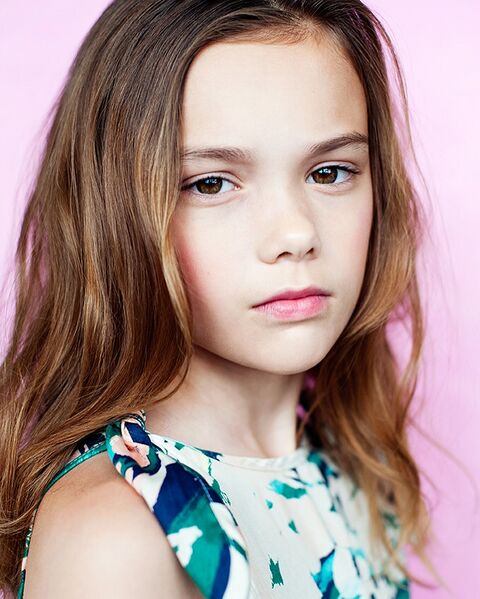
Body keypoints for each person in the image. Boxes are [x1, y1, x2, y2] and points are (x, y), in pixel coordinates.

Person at [0, 1, 449, 597]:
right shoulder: (118, 537)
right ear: (117, 214)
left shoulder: (353, 473)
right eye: (211, 183)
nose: (296, 234)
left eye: (330, 172)